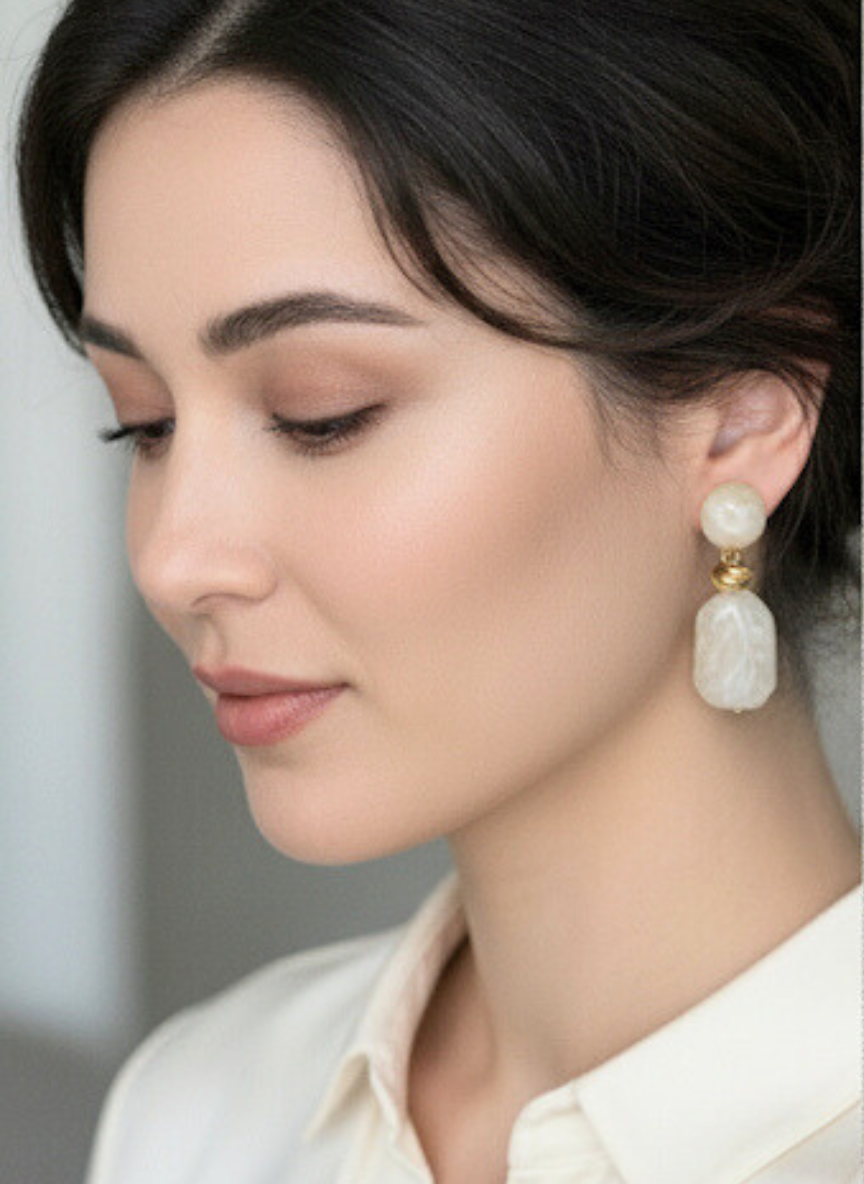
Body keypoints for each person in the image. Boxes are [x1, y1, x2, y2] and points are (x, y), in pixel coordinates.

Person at [14, 1, 861, 1181]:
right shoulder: (198, 1108)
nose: (173, 557)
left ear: (739, 418)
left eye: (321, 414)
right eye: (145, 424)